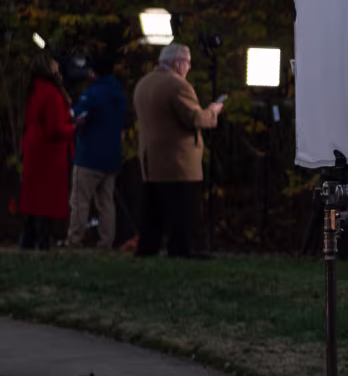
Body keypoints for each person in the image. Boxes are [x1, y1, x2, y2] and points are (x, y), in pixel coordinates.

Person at [132, 43, 223, 258]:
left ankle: (148, 248)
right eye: (188, 62)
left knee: (152, 209)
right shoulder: (177, 86)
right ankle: (180, 249)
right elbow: (194, 118)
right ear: (178, 62)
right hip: (177, 159)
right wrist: (212, 111)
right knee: (182, 207)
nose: (189, 68)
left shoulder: (144, 83)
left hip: (150, 158)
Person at [68, 52, 127, 249]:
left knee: (80, 201)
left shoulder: (93, 94)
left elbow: (75, 116)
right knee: (106, 202)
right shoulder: (118, 91)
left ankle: (75, 239)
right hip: (112, 155)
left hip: (89, 156)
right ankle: (106, 241)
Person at [17, 53, 75, 250]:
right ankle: (42, 241)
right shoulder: (51, 93)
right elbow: (55, 128)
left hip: (35, 149)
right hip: (48, 153)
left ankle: (29, 239)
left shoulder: (34, 90)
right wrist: (74, 127)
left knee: (34, 199)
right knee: (45, 199)